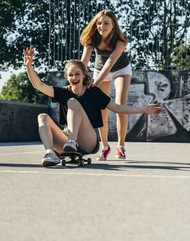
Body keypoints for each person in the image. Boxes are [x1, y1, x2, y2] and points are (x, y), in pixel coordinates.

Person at [23, 46, 162, 167]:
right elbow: (38, 85)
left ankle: (72, 140)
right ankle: (49, 153)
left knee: (72, 102)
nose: (74, 77)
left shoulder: (93, 92)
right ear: (66, 77)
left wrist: (143, 109)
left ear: (84, 75)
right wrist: (29, 66)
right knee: (42, 117)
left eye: (77, 74)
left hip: (89, 141)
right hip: (65, 142)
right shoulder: (63, 92)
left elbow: (117, 108)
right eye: (70, 75)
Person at [80, 9, 132, 161]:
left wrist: (94, 85)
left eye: (106, 23)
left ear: (113, 25)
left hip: (121, 70)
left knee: (120, 106)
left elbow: (109, 64)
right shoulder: (92, 38)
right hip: (99, 70)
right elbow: (84, 61)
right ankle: (104, 146)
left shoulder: (121, 40)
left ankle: (121, 146)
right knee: (101, 110)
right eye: (99, 23)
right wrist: (80, 82)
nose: (102, 26)